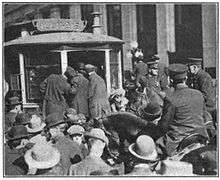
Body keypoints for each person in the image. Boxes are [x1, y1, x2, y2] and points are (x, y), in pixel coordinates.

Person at [155, 63, 209, 157]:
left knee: (153, 148)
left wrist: (157, 125)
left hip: (178, 141)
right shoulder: (199, 94)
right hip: (201, 137)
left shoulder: (170, 98)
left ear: (170, 80)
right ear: (186, 78)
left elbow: (163, 126)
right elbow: (204, 117)